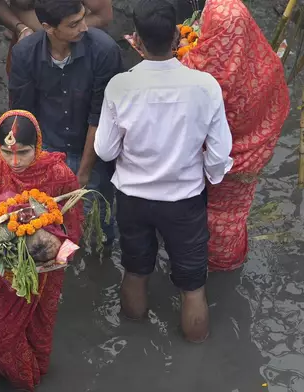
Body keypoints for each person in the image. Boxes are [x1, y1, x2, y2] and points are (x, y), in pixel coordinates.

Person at [94, 0, 233, 342]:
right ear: (176, 37)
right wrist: (211, 176)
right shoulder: (205, 86)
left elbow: (105, 150)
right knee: (192, 285)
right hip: (184, 200)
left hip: (133, 198)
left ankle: (132, 347)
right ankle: (195, 359)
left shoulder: (119, 86)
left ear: (136, 41)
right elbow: (219, 154)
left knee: (136, 270)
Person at [0, 110, 83, 391]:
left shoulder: (60, 175)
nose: (15, 162)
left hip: (47, 270)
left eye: (23, 152)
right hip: (2, 270)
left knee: (38, 325)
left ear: (38, 145)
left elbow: (73, 227)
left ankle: (30, 376)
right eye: (6, 152)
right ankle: (19, 375)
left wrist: (54, 254)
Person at [181, 0, 290, 271]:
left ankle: (194, 266)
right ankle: (227, 265)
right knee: (230, 218)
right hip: (250, 157)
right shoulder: (266, 62)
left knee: (196, 213)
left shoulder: (196, 68)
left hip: (203, 159)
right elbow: (275, 107)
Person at [9, 0, 122, 246]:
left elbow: (100, 115)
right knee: (45, 225)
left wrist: (83, 171)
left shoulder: (104, 50)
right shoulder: (24, 53)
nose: (84, 27)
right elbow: (22, 115)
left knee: (97, 225)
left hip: (92, 148)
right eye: (74, 24)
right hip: (48, 147)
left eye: (83, 18)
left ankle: (96, 264)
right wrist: (29, 166)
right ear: (48, 28)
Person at [0, 0, 113, 75]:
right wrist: (20, 28)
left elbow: (103, 16)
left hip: (75, 41)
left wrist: (66, 30)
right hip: (28, 37)